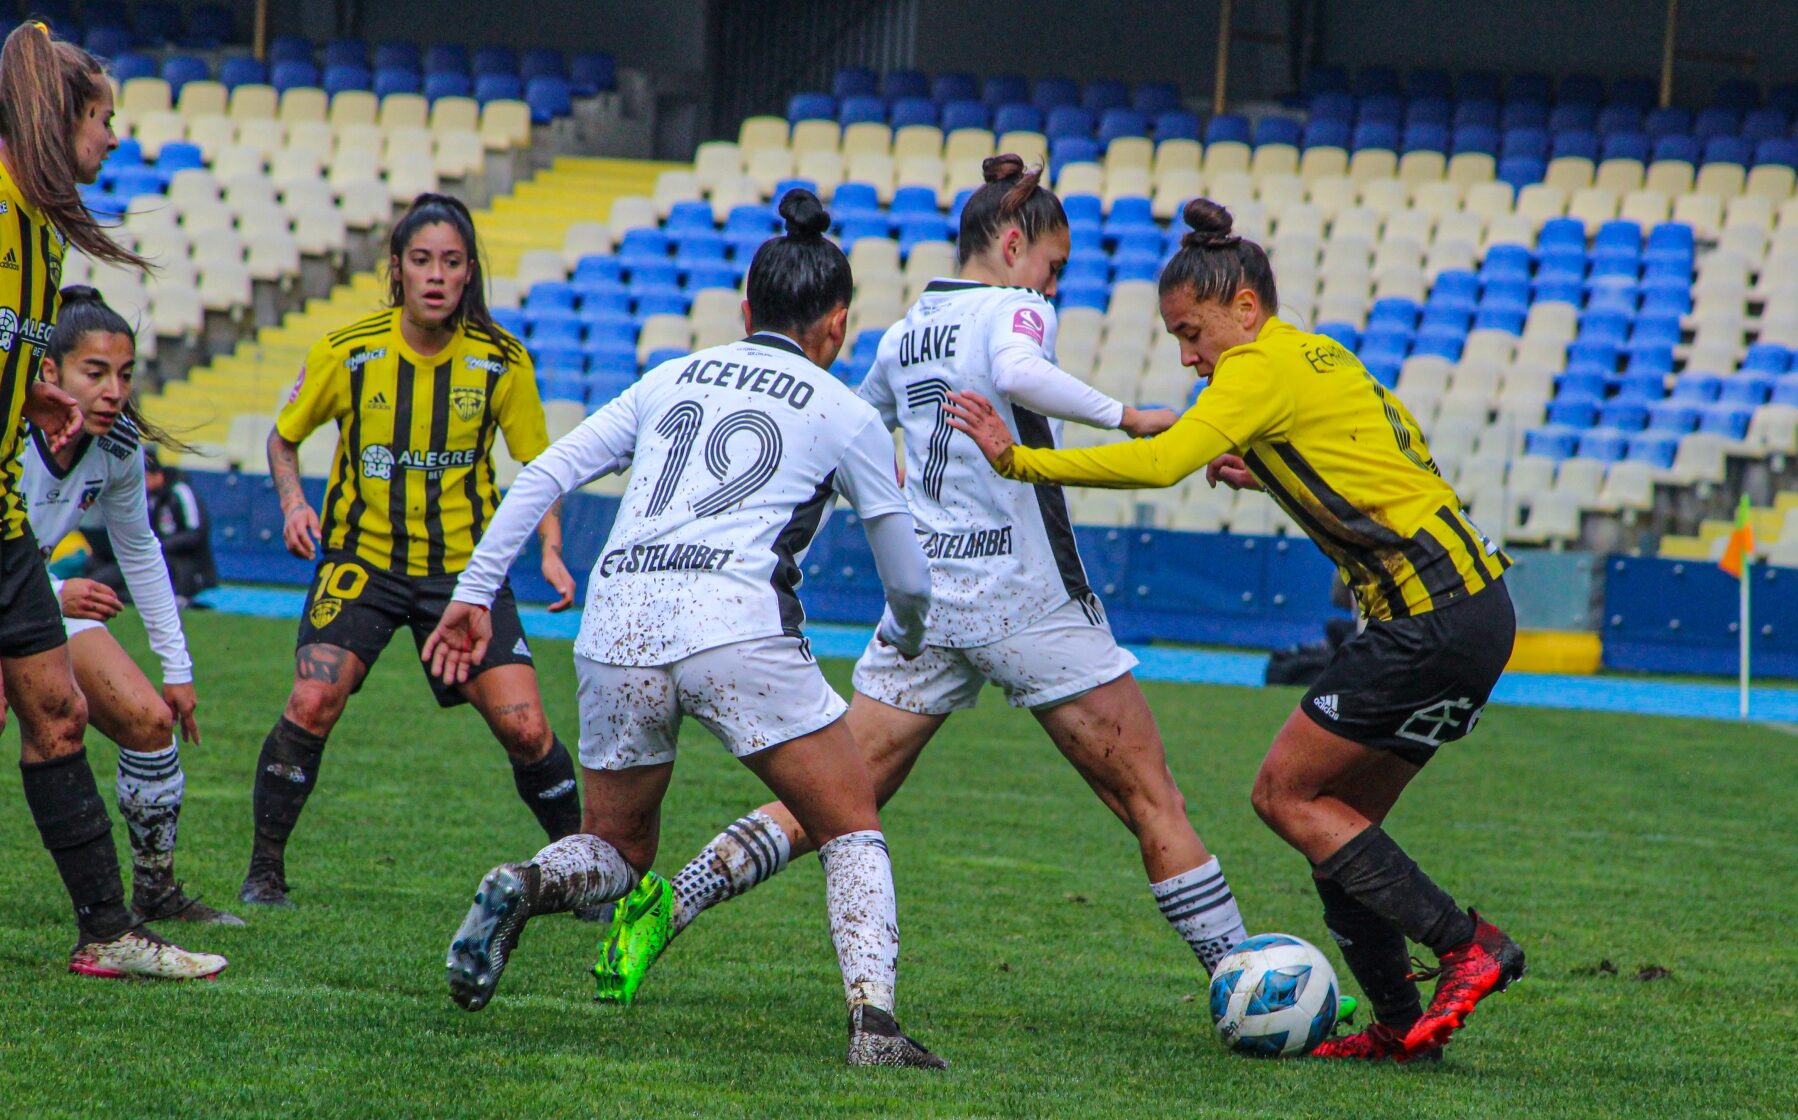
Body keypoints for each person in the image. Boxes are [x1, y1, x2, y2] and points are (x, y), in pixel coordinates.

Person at [593, 155, 1251, 1010]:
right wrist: (1132, 417)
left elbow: (852, 420)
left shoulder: (910, 326)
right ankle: (1246, 980)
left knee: (837, 794)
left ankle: (663, 909)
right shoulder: (1015, 307)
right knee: (1150, 798)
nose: (1052, 286)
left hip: (933, 602)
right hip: (1025, 597)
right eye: (1052, 267)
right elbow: (1017, 373)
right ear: (1014, 244)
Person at [942, 199, 1524, 1062]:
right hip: (1476, 613)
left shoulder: (1249, 371)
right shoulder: (1318, 352)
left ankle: (1464, 944)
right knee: (1338, 827)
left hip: (1424, 614)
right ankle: (1404, 1028)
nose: (1188, 356)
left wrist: (1019, 459)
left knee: (1283, 796)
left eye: (1191, 333)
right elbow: (1391, 451)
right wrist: (1271, 474)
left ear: (1242, 309)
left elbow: (1157, 460)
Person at [423, 189, 946, 1068]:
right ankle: (875, 1027)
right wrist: (909, 626)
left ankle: (526, 881)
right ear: (839, 326)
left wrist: (476, 590)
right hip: (735, 623)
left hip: (618, 617)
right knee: (850, 822)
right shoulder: (844, 409)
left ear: (744, 311)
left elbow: (543, 472)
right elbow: (905, 570)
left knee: (619, 847)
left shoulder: (672, 374)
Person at [242, 193, 584, 911]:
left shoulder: (501, 363)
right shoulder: (346, 351)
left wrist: (551, 548)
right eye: (421, 261)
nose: (435, 276)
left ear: (468, 275)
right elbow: (283, 437)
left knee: (527, 729)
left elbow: (542, 467)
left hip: (466, 574)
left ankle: (584, 874)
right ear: (396, 270)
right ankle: (265, 871)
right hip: (360, 563)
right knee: (312, 698)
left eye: (451, 262)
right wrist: (293, 504)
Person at [0, 21, 225, 979]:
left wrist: (34, 389)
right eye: (103, 120)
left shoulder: (40, 232)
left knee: (57, 716)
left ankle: (110, 933)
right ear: (59, 119)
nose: (115, 140)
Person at [22, 287, 241, 926]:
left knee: (149, 723)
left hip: (30, 603)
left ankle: (155, 892)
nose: (115, 390)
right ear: (48, 372)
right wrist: (58, 591)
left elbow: (140, 548)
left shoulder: (117, 444)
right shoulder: (10, 434)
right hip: (29, 599)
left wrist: (179, 668)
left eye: (124, 373)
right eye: (96, 373)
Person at [78, 449, 220, 606]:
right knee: (97, 564)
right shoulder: (148, 498)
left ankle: (96, 589)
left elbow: (196, 533)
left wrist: (157, 545)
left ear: (157, 475)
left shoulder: (181, 492)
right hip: (157, 556)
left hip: (183, 563)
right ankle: (102, 590)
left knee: (126, 569)